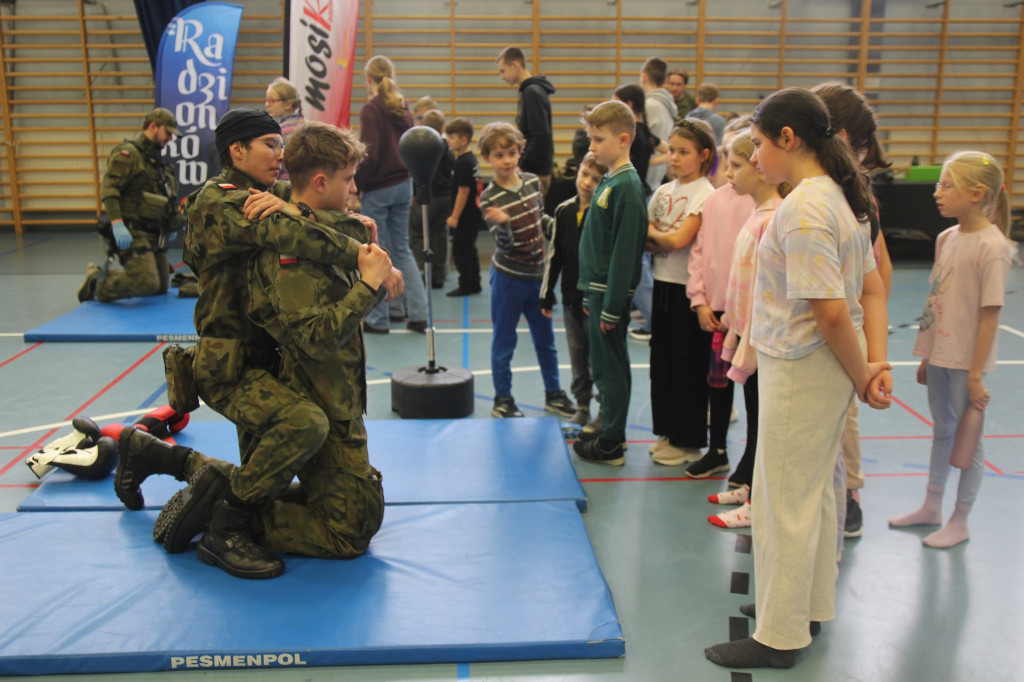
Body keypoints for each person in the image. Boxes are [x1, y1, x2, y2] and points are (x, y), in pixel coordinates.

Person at [112, 108, 400, 578]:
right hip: (229, 363)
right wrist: (370, 264)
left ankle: (158, 456)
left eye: (280, 144)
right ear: (237, 150)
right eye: (270, 143)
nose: (279, 154)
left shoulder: (268, 193)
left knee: (266, 476)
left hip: (266, 361)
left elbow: (331, 212)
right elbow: (300, 231)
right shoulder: (221, 201)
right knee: (303, 426)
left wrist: (306, 212)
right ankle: (226, 526)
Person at [705, 88, 892, 670]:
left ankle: (779, 635)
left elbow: (834, 310)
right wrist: (872, 364)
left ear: (789, 139)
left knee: (784, 501)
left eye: (759, 145)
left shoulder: (806, 208)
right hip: (825, 368)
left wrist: (866, 375)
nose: (755, 157)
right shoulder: (840, 196)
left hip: (804, 368)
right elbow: (872, 289)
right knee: (815, 495)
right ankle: (808, 608)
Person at [888, 151, 1014, 549]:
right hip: (941, 356)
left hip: (966, 362)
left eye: (946, 185)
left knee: (968, 442)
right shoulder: (946, 238)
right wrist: (926, 354)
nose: (936, 193)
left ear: (977, 193)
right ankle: (932, 505)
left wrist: (975, 375)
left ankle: (961, 518)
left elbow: (989, 316)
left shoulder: (992, 247)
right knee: (942, 431)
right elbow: (936, 304)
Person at [810, 81, 895, 539]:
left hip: (842, 338)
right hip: (816, 342)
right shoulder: (810, 193)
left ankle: (850, 495)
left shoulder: (853, 199)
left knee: (846, 423)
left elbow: (878, 277)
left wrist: (871, 358)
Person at [706, 129, 787, 529]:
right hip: (745, 334)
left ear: (760, 169)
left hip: (762, 341)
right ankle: (748, 480)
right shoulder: (757, 214)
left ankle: (758, 497)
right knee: (754, 415)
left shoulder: (773, 219)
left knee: (762, 418)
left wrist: (748, 336)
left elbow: (766, 291)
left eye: (736, 165)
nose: (729, 174)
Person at [477, 122, 575, 420]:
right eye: (498, 155)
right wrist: (503, 224)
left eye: (511, 153)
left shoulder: (532, 182)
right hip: (509, 280)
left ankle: (554, 394)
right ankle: (503, 399)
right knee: (504, 342)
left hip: (539, 280)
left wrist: (559, 228)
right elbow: (505, 246)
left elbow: (539, 218)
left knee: (545, 340)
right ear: (488, 158)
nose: (506, 160)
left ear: (519, 153)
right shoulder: (489, 199)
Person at [571, 100, 648, 464]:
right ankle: (610, 429)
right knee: (604, 366)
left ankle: (612, 442)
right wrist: (589, 290)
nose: (591, 147)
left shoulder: (628, 187)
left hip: (609, 295)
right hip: (597, 291)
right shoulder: (610, 180)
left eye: (598, 139)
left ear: (622, 139)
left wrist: (614, 305)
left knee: (610, 368)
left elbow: (623, 252)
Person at [684, 123, 757, 480]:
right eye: (727, 161)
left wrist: (736, 310)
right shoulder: (714, 200)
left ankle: (753, 459)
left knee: (754, 391)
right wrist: (699, 300)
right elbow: (699, 254)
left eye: (738, 163)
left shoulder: (760, 206)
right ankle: (717, 450)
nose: (728, 171)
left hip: (745, 316)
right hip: (715, 311)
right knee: (718, 383)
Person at [644, 120, 716, 467]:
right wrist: (655, 235)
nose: (674, 158)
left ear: (703, 156)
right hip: (662, 283)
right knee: (663, 363)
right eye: (671, 150)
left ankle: (688, 441)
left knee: (688, 365)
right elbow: (644, 233)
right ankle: (669, 431)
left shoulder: (706, 194)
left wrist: (656, 235)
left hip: (690, 291)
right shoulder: (663, 191)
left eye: (683, 152)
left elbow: (678, 239)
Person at [78, 108, 183, 303]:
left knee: (160, 287)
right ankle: (96, 284)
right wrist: (118, 224)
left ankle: (113, 276)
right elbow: (109, 190)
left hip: (153, 233)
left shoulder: (155, 161)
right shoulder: (128, 154)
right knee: (146, 283)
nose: (170, 138)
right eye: (167, 133)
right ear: (153, 126)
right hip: (132, 231)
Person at [357, 55, 428, 334]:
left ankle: (378, 318)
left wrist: (358, 185)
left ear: (368, 79)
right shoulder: (402, 107)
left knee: (377, 251)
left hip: (379, 186)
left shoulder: (371, 109)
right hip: (403, 182)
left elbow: (369, 153)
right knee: (402, 249)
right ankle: (416, 312)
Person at [541, 152, 609, 429]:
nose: (588, 182)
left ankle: (605, 409)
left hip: (595, 302)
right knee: (578, 357)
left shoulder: (605, 213)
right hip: (570, 301)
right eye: (585, 174)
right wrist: (547, 292)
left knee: (599, 359)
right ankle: (582, 405)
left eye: (596, 178)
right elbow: (554, 255)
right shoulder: (563, 211)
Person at [496, 46, 555, 197]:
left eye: (503, 71)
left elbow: (540, 134)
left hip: (535, 170)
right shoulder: (530, 90)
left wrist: (522, 165)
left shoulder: (532, 92)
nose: (501, 76)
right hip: (535, 168)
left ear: (515, 65)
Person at [408, 108, 453, 288]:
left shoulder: (423, 150)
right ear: (442, 129)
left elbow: (415, 172)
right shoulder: (447, 150)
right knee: (439, 236)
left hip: (428, 196)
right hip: (445, 196)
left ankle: (422, 271)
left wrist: (414, 193)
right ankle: (438, 275)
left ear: (423, 126)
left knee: (418, 233)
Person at [444, 116, 484, 297]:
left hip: (466, 215)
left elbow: (464, 191)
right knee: (469, 248)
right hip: (473, 214)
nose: (448, 141)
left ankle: (466, 284)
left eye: (452, 137)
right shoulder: (470, 159)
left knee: (461, 250)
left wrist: (454, 217)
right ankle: (474, 282)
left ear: (463, 140)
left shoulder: (462, 163)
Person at [639, 56, 677, 191]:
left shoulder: (649, 106)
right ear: (665, 81)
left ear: (644, 77)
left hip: (647, 178)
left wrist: (644, 162)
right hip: (656, 178)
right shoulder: (667, 105)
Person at [265, 77, 304, 181]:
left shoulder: (280, 133)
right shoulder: (307, 126)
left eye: (271, 101)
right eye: (267, 100)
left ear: (288, 104)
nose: (267, 104)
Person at [686, 83, 726, 147]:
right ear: (716, 101)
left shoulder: (687, 118)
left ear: (697, 101)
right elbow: (720, 147)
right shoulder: (718, 121)